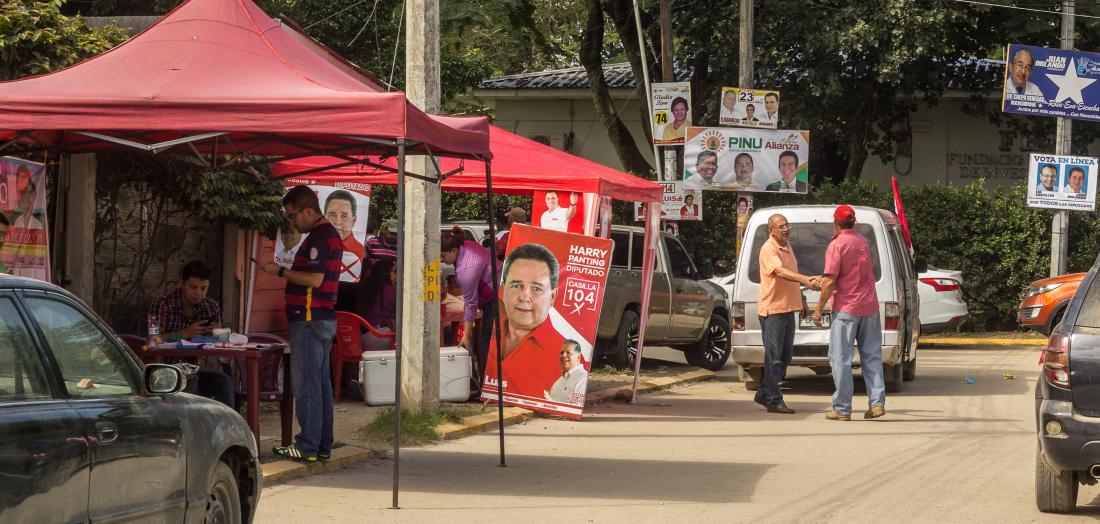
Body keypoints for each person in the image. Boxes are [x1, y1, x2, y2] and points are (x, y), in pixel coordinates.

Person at [260, 185, 342, 463]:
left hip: (308, 319)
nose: (291, 222)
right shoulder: (329, 234)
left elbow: (314, 280)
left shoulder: (319, 237)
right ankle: (321, 445)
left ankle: (306, 445)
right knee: (320, 385)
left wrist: (279, 271)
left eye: (293, 215)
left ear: (308, 211)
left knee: (306, 384)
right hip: (321, 319)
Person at [813, 204, 886, 421]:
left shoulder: (837, 244)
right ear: (853, 222)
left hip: (846, 309)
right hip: (869, 307)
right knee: (872, 356)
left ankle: (842, 408)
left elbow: (831, 281)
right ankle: (877, 404)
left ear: (835, 223)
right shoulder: (863, 241)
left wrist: (818, 310)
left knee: (840, 359)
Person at [483, 243, 565, 400]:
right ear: (502, 289)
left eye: (537, 289)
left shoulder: (566, 357)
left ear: (553, 297)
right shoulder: (491, 334)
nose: (524, 297)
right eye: (516, 285)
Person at [148, 260, 234, 408]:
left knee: (223, 382)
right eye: (193, 287)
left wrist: (216, 335)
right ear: (182, 283)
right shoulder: (163, 304)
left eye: (203, 288)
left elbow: (217, 345)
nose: (198, 293)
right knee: (190, 382)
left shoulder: (210, 307)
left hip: (194, 368)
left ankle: (225, 427)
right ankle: (191, 428)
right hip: (167, 371)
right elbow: (154, 341)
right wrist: (183, 334)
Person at [755, 214, 818, 414]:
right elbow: (780, 272)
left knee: (785, 356)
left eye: (787, 225)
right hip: (772, 311)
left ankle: (764, 393)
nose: (786, 229)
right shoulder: (769, 249)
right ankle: (774, 400)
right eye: (781, 226)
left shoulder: (787, 245)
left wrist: (802, 298)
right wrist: (806, 279)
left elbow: (789, 275)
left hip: (788, 309)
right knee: (773, 358)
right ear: (770, 229)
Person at [441, 226, 498, 388]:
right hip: (495, 293)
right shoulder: (466, 245)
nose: (443, 260)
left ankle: (490, 387)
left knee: (487, 343)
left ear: (454, 250)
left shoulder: (466, 269)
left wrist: (466, 335)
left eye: (444, 256)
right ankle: (489, 385)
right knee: (488, 341)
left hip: (496, 297)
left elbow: (471, 305)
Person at [354, 258, 397, 350]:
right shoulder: (392, 291)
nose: (396, 276)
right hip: (379, 337)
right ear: (385, 273)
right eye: (394, 272)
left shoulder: (366, 289)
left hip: (359, 339)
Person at [323, 190, 366, 280]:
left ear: (353, 221)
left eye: (344, 216)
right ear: (324, 218)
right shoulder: (312, 245)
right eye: (332, 214)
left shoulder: (360, 252)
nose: (337, 222)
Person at [545, 340, 588, 404]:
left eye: (568, 352)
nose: (563, 355)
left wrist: (551, 403)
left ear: (578, 357)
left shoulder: (582, 379)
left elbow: (577, 409)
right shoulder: (560, 380)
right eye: (562, 352)